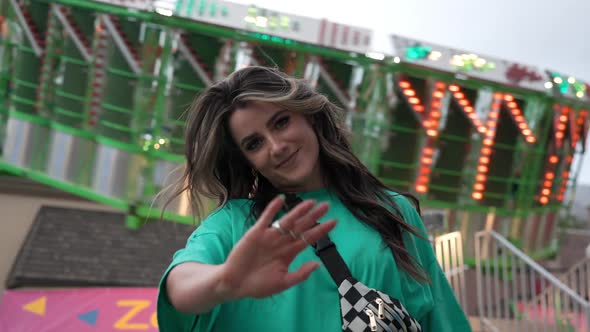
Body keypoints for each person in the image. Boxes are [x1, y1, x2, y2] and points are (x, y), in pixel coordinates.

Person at [157, 66, 471, 331]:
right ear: (246, 160)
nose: (276, 146)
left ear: (308, 116)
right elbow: (181, 284)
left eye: (281, 122)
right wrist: (224, 280)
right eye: (254, 143)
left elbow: (442, 319)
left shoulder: (391, 210)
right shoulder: (235, 224)